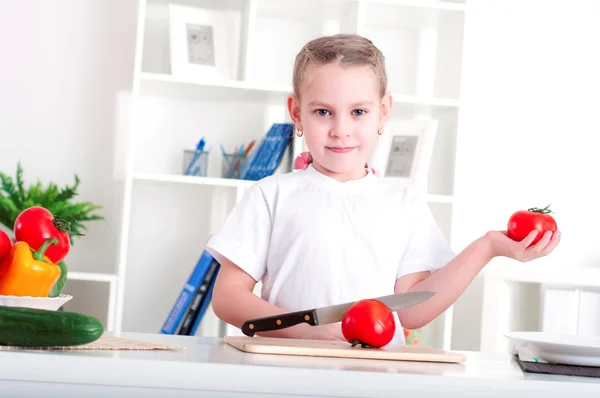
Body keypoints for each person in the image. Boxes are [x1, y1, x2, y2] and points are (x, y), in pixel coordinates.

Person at [205, 33, 561, 344]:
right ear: (296, 113)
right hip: (282, 371)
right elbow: (228, 298)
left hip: (376, 375)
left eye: (358, 112)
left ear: (383, 111)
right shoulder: (271, 195)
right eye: (323, 112)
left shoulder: (403, 203)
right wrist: (308, 331)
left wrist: (489, 246)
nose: (341, 129)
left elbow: (411, 311)